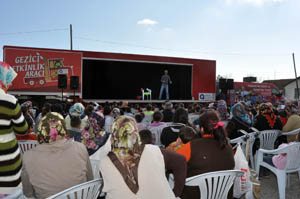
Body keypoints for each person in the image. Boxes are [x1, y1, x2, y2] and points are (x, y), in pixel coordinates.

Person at [99, 116, 185, 198]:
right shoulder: (154, 150)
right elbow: (180, 160)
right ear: (135, 132)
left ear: (114, 133)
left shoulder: (104, 161)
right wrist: (175, 193)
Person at [21, 112, 93, 198]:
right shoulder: (80, 148)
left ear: (40, 130)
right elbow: (90, 180)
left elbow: (28, 193)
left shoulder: (28, 156)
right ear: (63, 128)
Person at [176, 110, 235, 199]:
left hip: (195, 195)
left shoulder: (192, 146)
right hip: (222, 195)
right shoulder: (228, 146)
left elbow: (174, 162)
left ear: (202, 129)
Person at [0, 62, 28, 197]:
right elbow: (23, 129)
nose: (10, 84)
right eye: (8, 80)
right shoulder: (9, 100)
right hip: (7, 167)